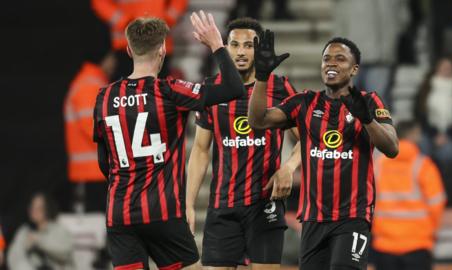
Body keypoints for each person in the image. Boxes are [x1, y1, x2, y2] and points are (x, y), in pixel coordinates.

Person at [93, 13, 244, 270]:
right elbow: (234, 88)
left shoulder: (104, 96)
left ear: (129, 50)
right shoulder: (169, 90)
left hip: (120, 213)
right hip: (162, 212)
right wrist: (217, 45)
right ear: (163, 49)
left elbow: (104, 161)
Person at [248, 33, 399, 270]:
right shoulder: (305, 103)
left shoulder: (369, 102)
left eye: (340, 59)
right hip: (313, 219)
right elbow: (257, 121)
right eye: (327, 58)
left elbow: (392, 148)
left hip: (352, 217)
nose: (331, 63)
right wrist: (262, 77)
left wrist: (366, 119)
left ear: (354, 69)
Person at [186, 17, 301, 269]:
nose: (240, 52)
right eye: (234, 45)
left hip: (265, 205)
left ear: (260, 50)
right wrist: (189, 204)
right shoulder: (211, 88)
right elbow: (201, 150)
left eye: (249, 45)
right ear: (225, 48)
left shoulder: (279, 87)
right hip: (222, 206)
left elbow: (307, 139)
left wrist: (289, 167)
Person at [372, 120, 446, 270]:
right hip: (418, 245)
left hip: (384, 245)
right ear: (413, 135)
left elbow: (367, 200)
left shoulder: (378, 165)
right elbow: (437, 204)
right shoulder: (424, 166)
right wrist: (430, 234)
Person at [64, 31, 116, 213]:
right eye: (112, 56)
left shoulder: (90, 82)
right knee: (99, 229)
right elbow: (93, 127)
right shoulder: (90, 85)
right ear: (104, 58)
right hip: (93, 172)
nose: (114, 62)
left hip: (92, 171)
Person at [91, 0, 188, 78]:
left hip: (157, 44)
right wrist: (122, 20)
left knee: (158, 90)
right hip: (127, 45)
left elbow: (179, 2)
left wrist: (168, 18)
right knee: (128, 91)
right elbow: (100, 3)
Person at [7, 193, 74, 270]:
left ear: (47, 209)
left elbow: (64, 251)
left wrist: (39, 240)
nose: (34, 211)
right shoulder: (24, 231)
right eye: (32, 207)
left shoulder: (58, 229)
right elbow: (14, 257)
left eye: (39, 208)